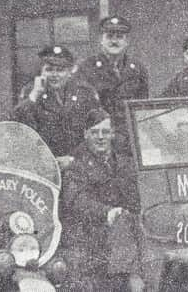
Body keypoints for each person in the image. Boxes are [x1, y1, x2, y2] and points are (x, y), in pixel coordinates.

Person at [61, 109, 144, 291]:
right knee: (122, 223)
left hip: (129, 232)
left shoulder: (127, 164)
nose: (100, 137)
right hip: (94, 234)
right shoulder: (77, 168)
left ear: (112, 134)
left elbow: (141, 194)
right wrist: (107, 212)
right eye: (94, 132)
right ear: (85, 134)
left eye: (105, 132)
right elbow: (76, 200)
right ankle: (134, 281)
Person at [14, 45, 99, 166]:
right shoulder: (31, 92)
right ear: (41, 72)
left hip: (78, 164)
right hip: (44, 164)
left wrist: (73, 159)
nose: (54, 74)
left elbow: (96, 132)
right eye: (49, 69)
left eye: (60, 70)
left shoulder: (85, 93)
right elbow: (19, 126)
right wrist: (34, 95)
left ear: (69, 72)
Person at [77, 15, 149, 157]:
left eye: (119, 36)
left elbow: (142, 108)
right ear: (101, 40)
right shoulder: (87, 68)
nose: (114, 41)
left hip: (129, 143)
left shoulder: (138, 68)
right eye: (109, 36)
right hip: (99, 142)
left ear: (126, 41)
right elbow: (83, 112)